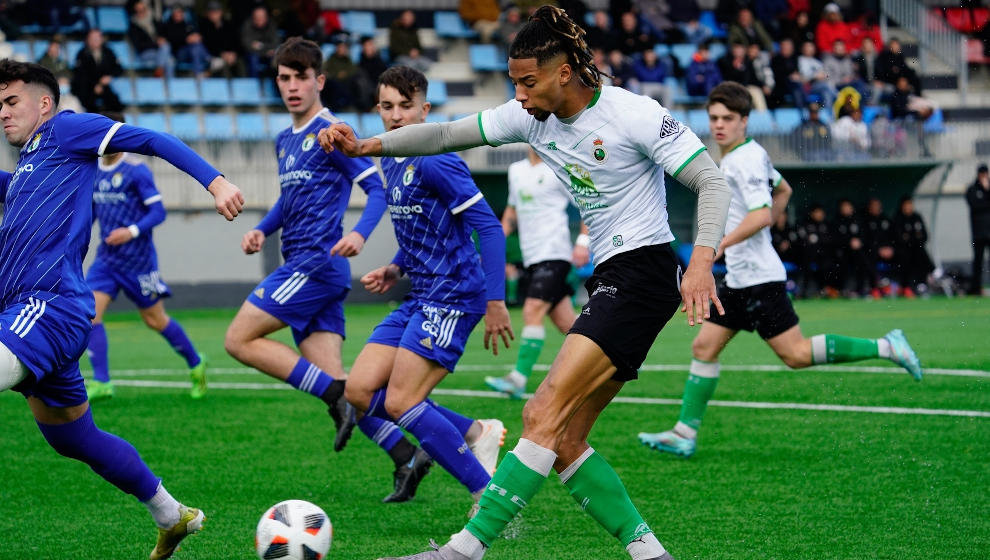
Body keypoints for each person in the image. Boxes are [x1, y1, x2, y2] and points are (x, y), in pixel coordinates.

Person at [319, 6, 733, 559]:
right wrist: (363, 147)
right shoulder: (529, 116)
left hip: (643, 269)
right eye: (513, 81)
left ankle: (462, 551)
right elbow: (444, 133)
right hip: (614, 274)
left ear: (565, 72)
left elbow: (711, 181)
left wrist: (702, 259)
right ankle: (650, 554)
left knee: (540, 413)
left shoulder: (635, 113)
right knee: (563, 441)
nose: (518, 94)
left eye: (527, 81)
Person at [0, 59, 243, 559]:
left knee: (154, 319)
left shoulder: (65, 128)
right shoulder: (30, 162)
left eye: (10, 101)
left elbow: (151, 139)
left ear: (44, 104)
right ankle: (172, 515)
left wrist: (215, 181)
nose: (2, 113)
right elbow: (22, 196)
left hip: (46, 307)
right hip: (43, 315)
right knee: (74, 438)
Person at [637, 81, 923, 459]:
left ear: (744, 121)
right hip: (741, 279)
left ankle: (888, 346)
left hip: (759, 279)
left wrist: (721, 243)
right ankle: (683, 433)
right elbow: (783, 190)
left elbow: (758, 213)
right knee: (704, 346)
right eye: (714, 118)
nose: (719, 125)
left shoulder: (745, 159)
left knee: (796, 355)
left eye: (728, 118)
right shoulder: (744, 155)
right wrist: (763, 224)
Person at [345, 65, 511, 507]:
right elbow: (423, 226)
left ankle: (486, 495)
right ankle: (479, 431)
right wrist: (396, 268)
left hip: (454, 295)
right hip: (421, 294)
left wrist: (496, 300)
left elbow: (489, 229)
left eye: (405, 107)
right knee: (358, 391)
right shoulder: (390, 159)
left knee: (400, 401)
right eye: (387, 107)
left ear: (425, 110)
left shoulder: (435, 158)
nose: (396, 116)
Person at [224, 38, 385, 453]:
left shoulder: (330, 132)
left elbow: (376, 189)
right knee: (347, 384)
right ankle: (409, 453)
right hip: (307, 265)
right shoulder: (285, 139)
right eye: (284, 78)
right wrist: (262, 228)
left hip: (314, 265)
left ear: (320, 81)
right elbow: (289, 199)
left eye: (301, 77)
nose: (292, 86)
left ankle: (331, 395)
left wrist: (359, 233)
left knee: (238, 340)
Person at [84, 111, 207, 402]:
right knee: (89, 315)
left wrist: (131, 231)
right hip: (106, 260)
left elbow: (158, 212)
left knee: (155, 320)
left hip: (138, 262)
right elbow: (91, 213)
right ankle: (102, 382)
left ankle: (196, 362)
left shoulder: (136, 170)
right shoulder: (92, 170)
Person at [484, 147, 589, 399]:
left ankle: (517, 379)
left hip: (555, 252)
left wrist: (583, 242)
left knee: (532, 310)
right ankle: (615, 355)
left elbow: (587, 202)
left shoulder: (561, 166)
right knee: (568, 324)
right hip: (532, 256)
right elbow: (512, 211)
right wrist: (496, 242)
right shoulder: (516, 171)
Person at [70, 29, 124, 113]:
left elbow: (118, 68)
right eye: (92, 38)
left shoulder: (108, 52)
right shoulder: (82, 54)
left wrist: (109, 77)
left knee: (115, 104)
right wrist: (96, 85)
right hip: (86, 88)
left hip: (104, 87)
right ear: (87, 40)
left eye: (97, 38)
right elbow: (80, 74)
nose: (95, 40)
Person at [891, 195, 934, 298]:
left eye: (910, 204)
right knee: (908, 256)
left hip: (917, 249)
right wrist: (914, 237)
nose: (908, 207)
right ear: (902, 206)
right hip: (903, 250)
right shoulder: (898, 218)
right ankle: (906, 287)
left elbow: (924, 236)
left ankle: (922, 285)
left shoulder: (917, 217)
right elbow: (899, 238)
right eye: (906, 205)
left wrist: (911, 238)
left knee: (919, 252)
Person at [966, 163, 990, 295]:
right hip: (978, 233)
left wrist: (987, 190)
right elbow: (975, 206)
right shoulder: (972, 189)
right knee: (978, 262)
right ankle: (976, 288)